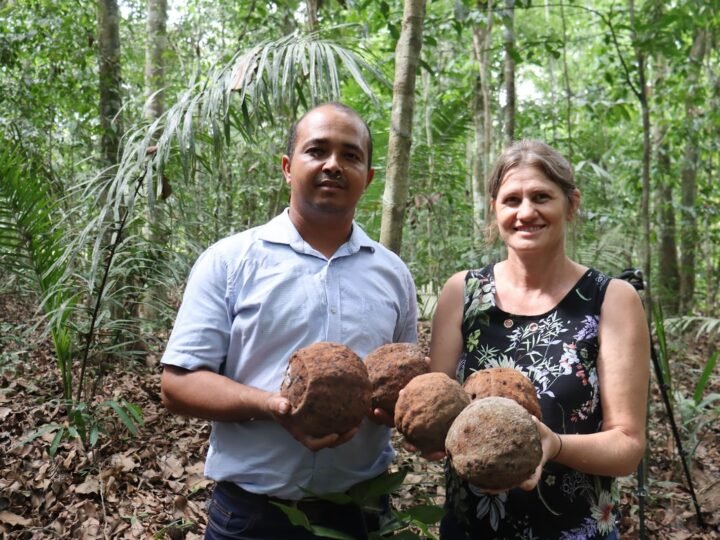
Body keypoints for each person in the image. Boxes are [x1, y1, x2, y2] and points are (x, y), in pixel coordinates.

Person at [160, 102, 418, 539]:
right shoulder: (230, 262)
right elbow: (178, 384)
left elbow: (404, 385)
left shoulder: (392, 274)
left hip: (364, 512)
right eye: (317, 151)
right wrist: (273, 407)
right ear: (287, 166)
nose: (333, 165)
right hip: (253, 516)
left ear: (369, 178)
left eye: (351, 156)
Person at [429, 140, 650, 539]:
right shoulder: (461, 293)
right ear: (494, 207)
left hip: (573, 529)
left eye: (541, 197)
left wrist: (553, 445)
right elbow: (438, 414)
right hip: (470, 528)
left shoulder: (611, 299)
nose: (525, 212)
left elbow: (628, 447)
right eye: (512, 199)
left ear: (571, 203)